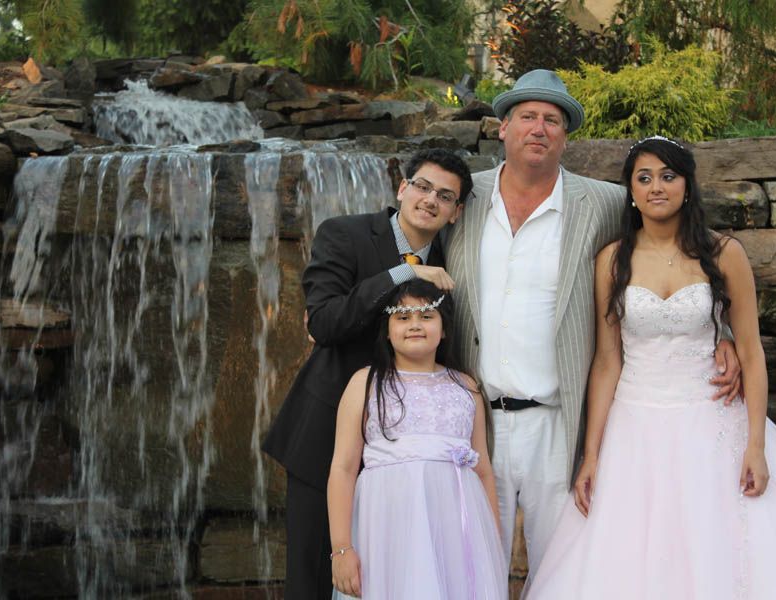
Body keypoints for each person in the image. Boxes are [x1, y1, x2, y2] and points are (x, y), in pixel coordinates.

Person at [445, 70, 742, 576]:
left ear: (566, 135)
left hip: (558, 421)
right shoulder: (463, 197)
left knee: (560, 568)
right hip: (472, 421)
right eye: (528, 116)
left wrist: (721, 333)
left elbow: (678, 254)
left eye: (552, 120)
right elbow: (405, 234)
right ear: (503, 127)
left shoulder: (602, 202)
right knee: (470, 569)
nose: (539, 128)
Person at [526, 135, 776, 599]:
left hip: (713, 421)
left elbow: (752, 352)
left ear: (688, 187)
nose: (657, 186)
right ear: (631, 192)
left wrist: (756, 443)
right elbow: (606, 361)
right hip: (634, 426)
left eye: (668, 176)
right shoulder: (612, 260)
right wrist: (592, 453)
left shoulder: (724, 253)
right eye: (644, 178)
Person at [262, 148, 473, 599]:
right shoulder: (344, 234)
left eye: (445, 195)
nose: (430, 200)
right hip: (327, 434)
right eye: (422, 186)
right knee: (316, 574)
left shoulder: (458, 262)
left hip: (408, 449)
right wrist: (400, 274)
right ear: (402, 188)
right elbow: (324, 322)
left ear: (456, 212)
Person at [328, 279, 507, 600]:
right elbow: (342, 468)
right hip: (388, 523)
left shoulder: (466, 386)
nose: (415, 325)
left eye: (426, 316)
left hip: (454, 527)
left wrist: (491, 543)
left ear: (445, 328)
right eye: (403, 317)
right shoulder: (366, 383)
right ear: (386, 329)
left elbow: (483, 470)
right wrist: (342, 548)